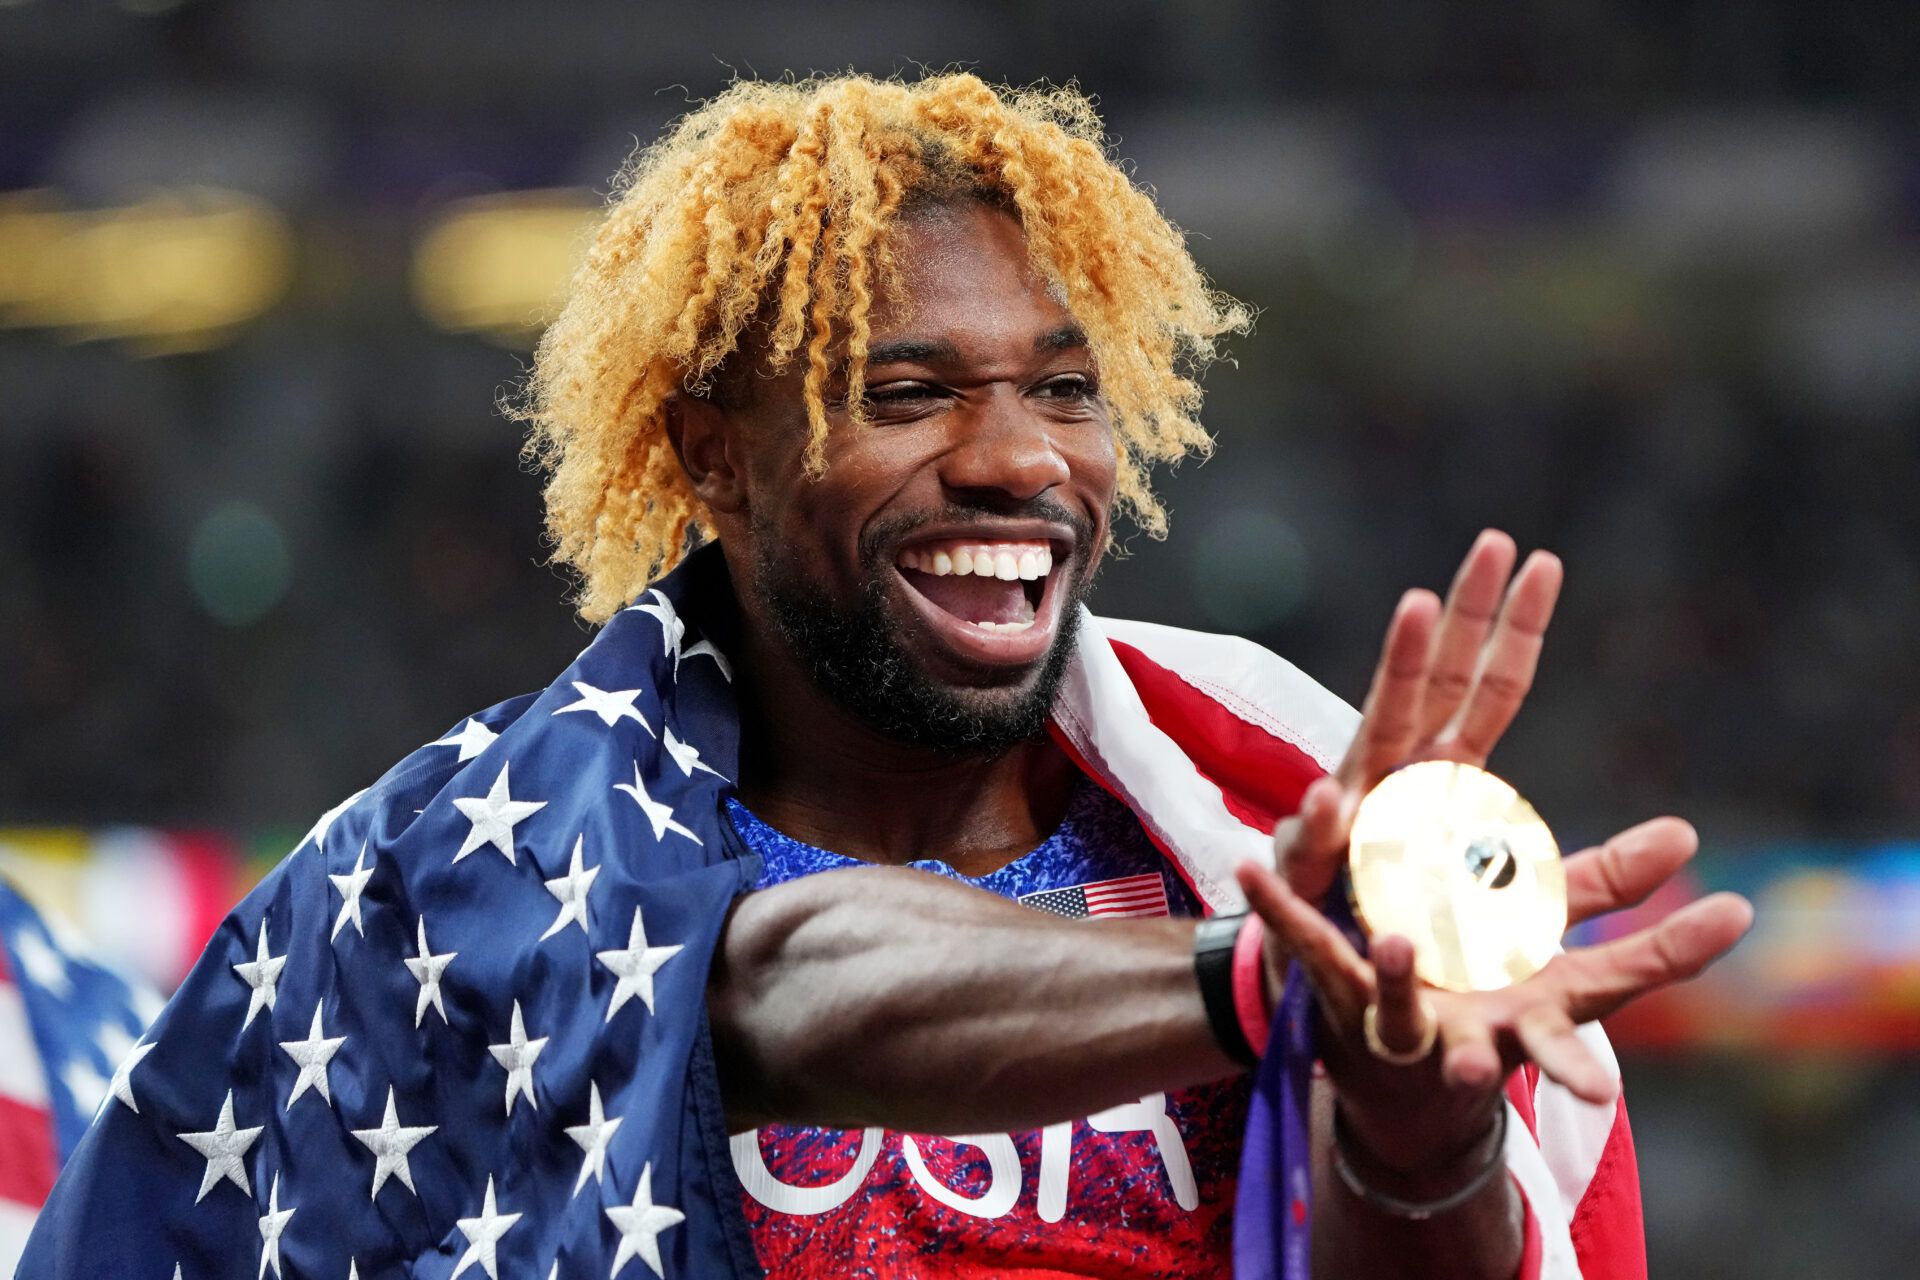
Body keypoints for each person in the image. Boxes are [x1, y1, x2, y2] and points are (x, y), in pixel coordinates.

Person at [19, 73, 1750, 1280]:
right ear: (713, 454)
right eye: (908, 394)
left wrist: (1407, 1116)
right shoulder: (499, 860)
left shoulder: (1241, 808)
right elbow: (773, 982)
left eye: (1064, 393)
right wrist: (1257, 989)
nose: (1018, 462)